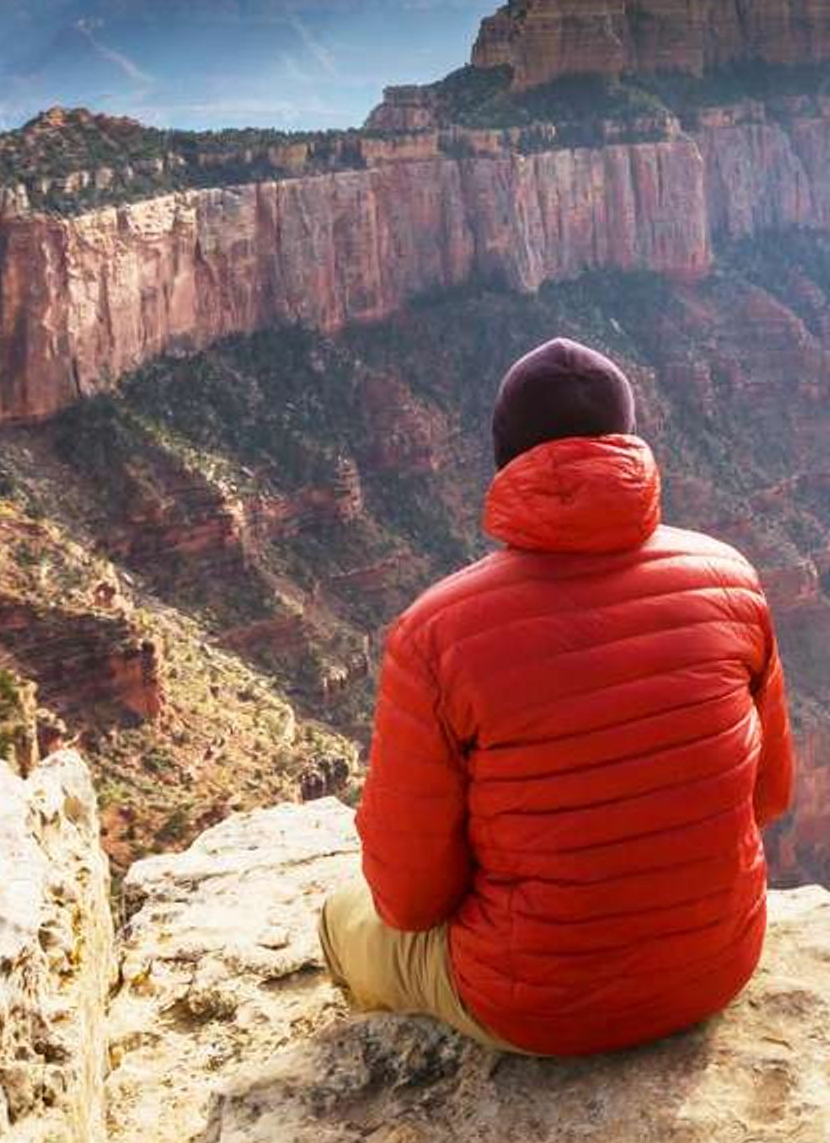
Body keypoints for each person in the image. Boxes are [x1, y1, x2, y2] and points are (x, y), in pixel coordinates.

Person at [323, 335, 797, 1056]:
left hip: (535, 1010)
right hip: (715, 967)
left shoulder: (433, 635)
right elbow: (768, 799)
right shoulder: (730, 579)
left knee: (342, 916)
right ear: (628, 442)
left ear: (505, 459)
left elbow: (410, 900)